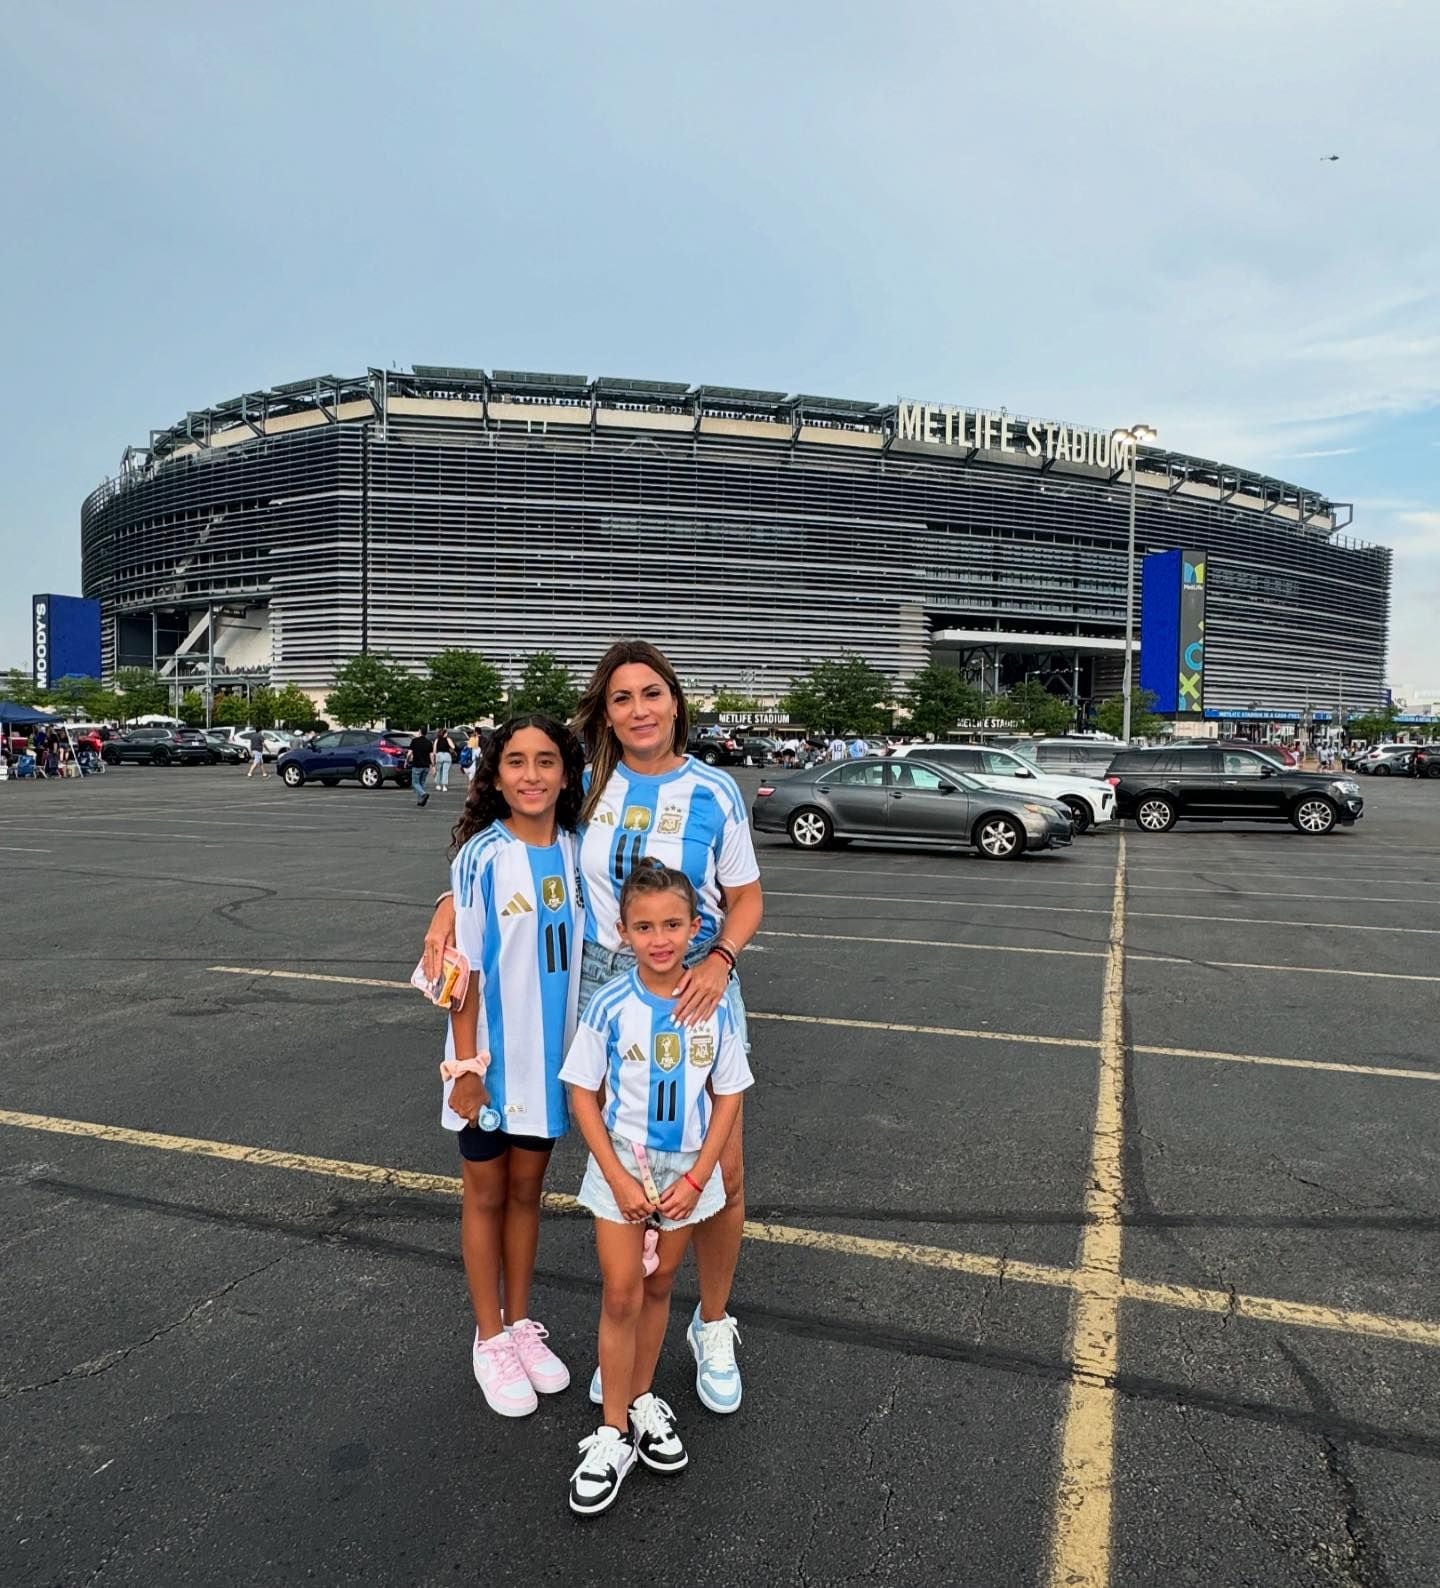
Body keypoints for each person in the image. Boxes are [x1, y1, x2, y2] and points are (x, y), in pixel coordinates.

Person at [425, 639, 763, 1416]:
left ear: (676, 700)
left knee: (719, 1171)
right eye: (620, 698)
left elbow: (746, 897)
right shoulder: (593, 787)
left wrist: (724, 959)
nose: (638, 709)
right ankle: (601, 1330)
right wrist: (447, 904)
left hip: (698, 984)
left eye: (651, 693)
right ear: (604, 714)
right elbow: (512, 846)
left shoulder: (715, 790)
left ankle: (710, 1324)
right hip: (599, 991)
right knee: (613, 1158)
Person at [560, 858, 753, 1515]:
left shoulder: (713, 1004)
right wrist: (614, 1174)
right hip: (622, 1165)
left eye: (673, 924)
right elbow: (582, 1091)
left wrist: (700, 1175)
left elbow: (728, 1095)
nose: (660, 938)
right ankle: (612, 1432)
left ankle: (642, 1400)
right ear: (623, 931)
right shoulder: (610, 1003)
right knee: (621, 1293)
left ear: (696, 926)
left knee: (661, 1285)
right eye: (644, 926)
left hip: (687, 1173)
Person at [442, 714, 586, 1417]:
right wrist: (467, 1065)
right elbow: (461, 967)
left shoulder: (580, 852)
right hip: (491, 1064)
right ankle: (489, 1336)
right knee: (486, 1195)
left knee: (529, 1195)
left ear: (566, 772)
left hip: (550, 1067)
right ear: (495, 776)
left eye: (547, 761)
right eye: (517, 761)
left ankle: (521, 1322)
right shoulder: (481, 856)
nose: (532, 774)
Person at [408, 727, 433, 807]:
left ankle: (423, 794)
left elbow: (409, 753)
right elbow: (431, 755)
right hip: (426, 766)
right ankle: (420, 801)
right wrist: (433, 765)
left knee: (415, 783)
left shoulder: (414, 741)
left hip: (417, 765)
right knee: (421, 783)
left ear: (419, 732)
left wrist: (406, 761)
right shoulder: (429, 742)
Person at [433, 728, 457, 793]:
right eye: (446, 733)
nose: (447, 734)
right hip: (447, 756)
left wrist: (434, 758)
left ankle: (438, 785)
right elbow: (453, 747)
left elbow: (434, 751)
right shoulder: (448, 739)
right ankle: (444, 786)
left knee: (438, 771)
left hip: (439, 755)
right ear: (444, 733)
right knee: (445, 772)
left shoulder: (437, 740)